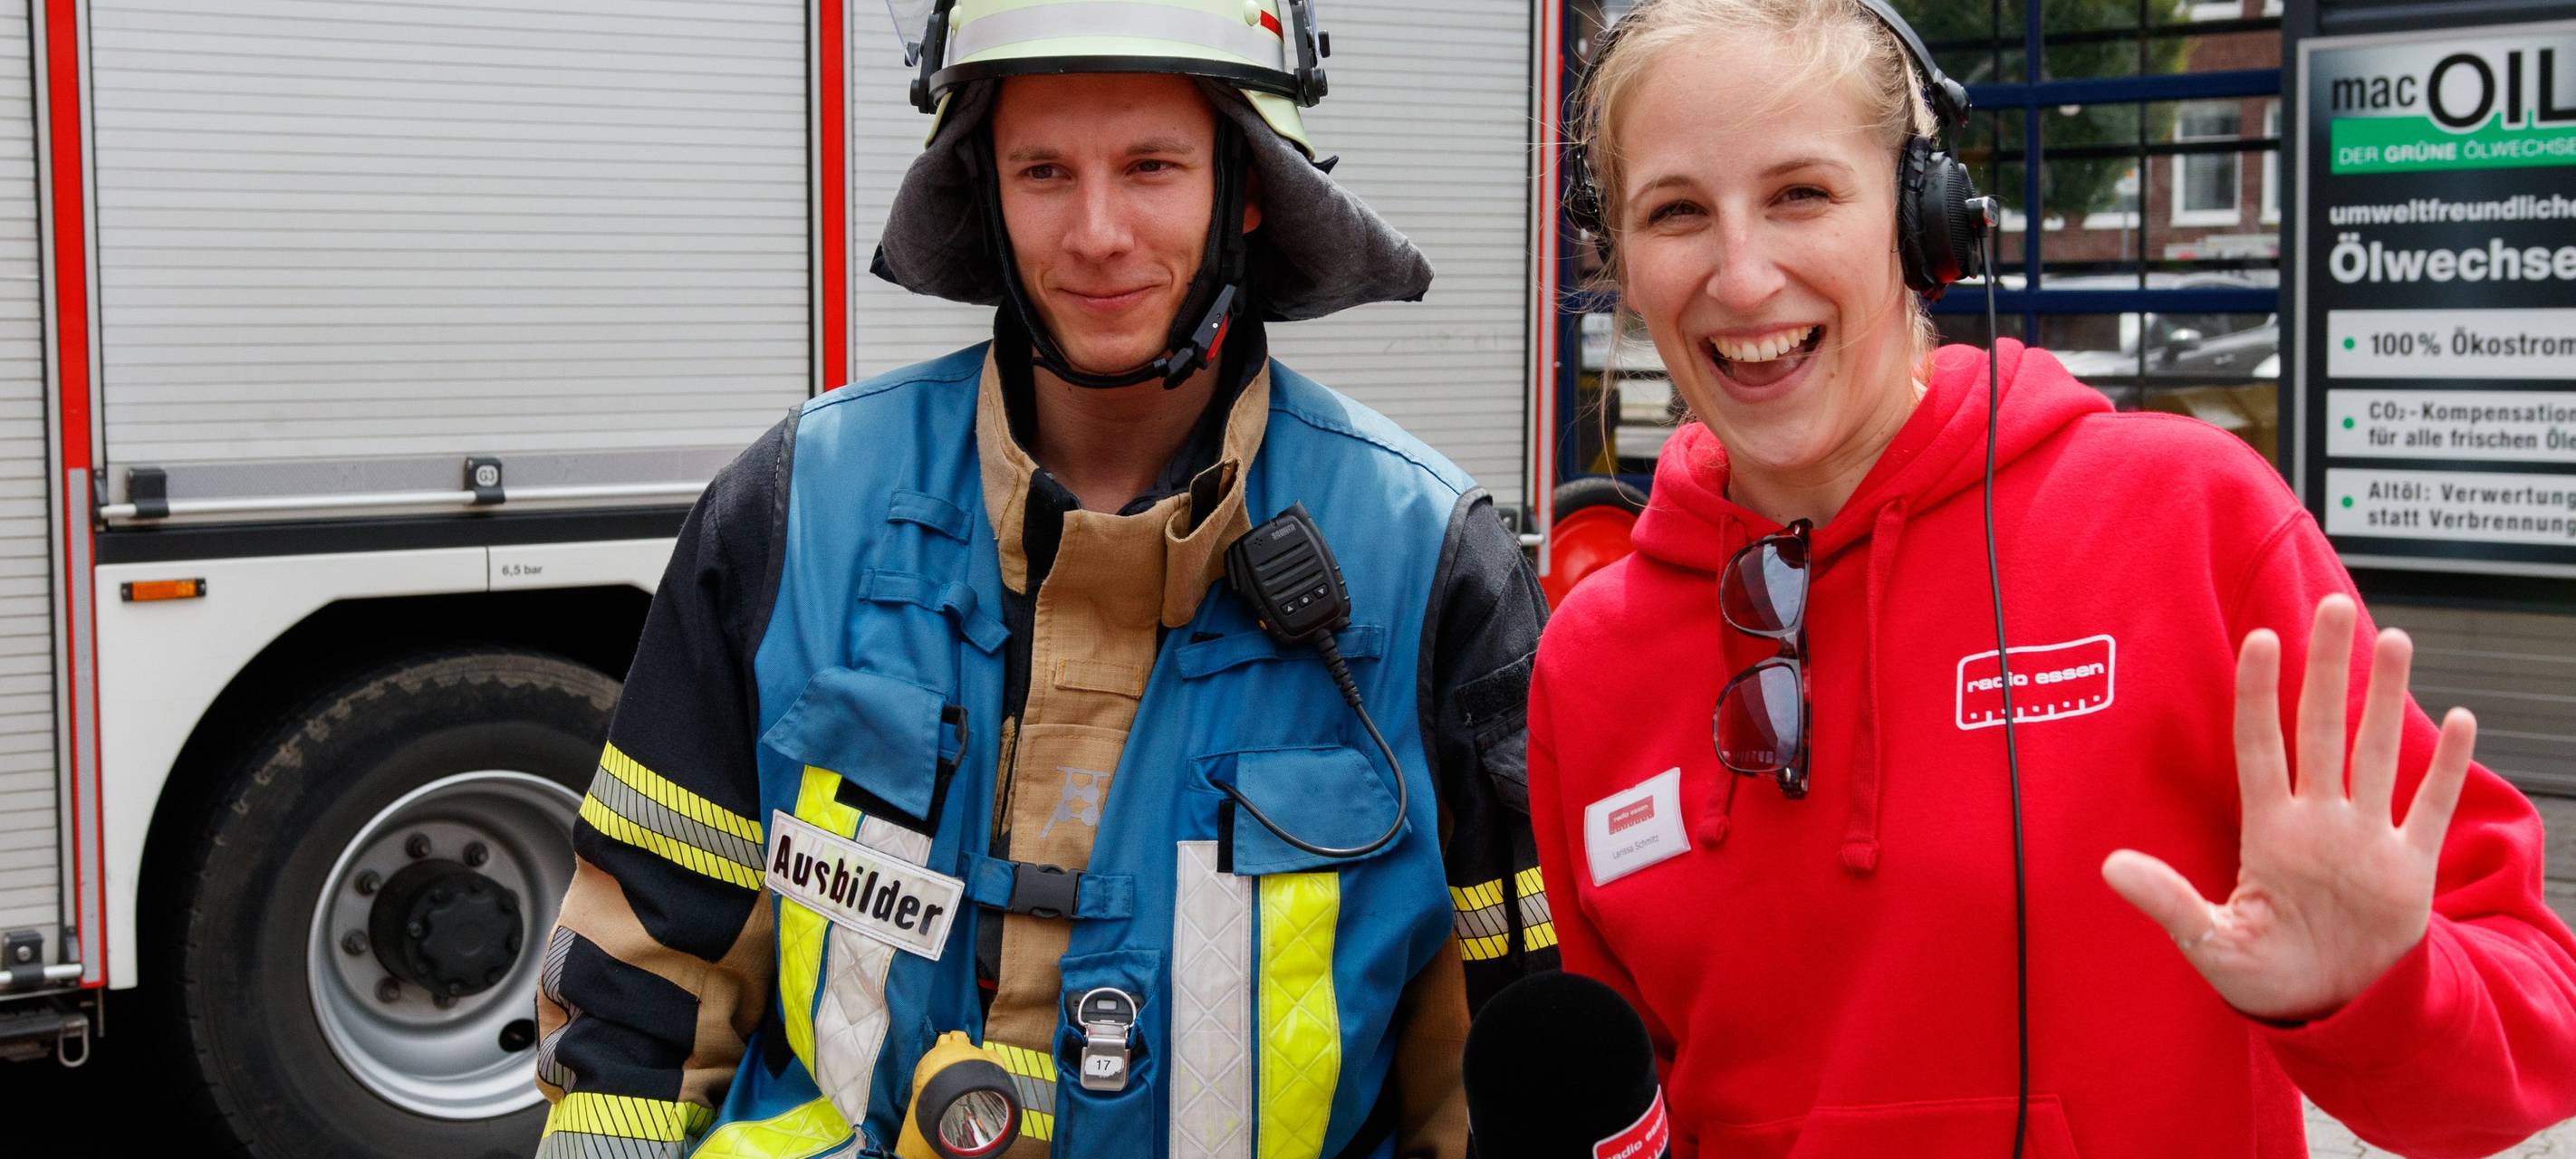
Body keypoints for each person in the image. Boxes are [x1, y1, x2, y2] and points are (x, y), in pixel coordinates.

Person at [1525, 0, 2576, 1155]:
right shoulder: (1590, 659)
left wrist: (2380, 991)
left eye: (1802, 194)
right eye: (1677, 212)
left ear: (1925, 221)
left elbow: (2532, 1037)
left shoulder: (2187, 522)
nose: (1741, 273)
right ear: (1620, 260)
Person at [529, 3, 1554, 1156]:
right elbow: (636, 989)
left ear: (1248, 189)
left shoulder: (1429, 562)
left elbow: (1507, 1064)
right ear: (988, 195)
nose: (1098, 231)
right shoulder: (795, 510)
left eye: (1153, 167)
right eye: (1044, 171)